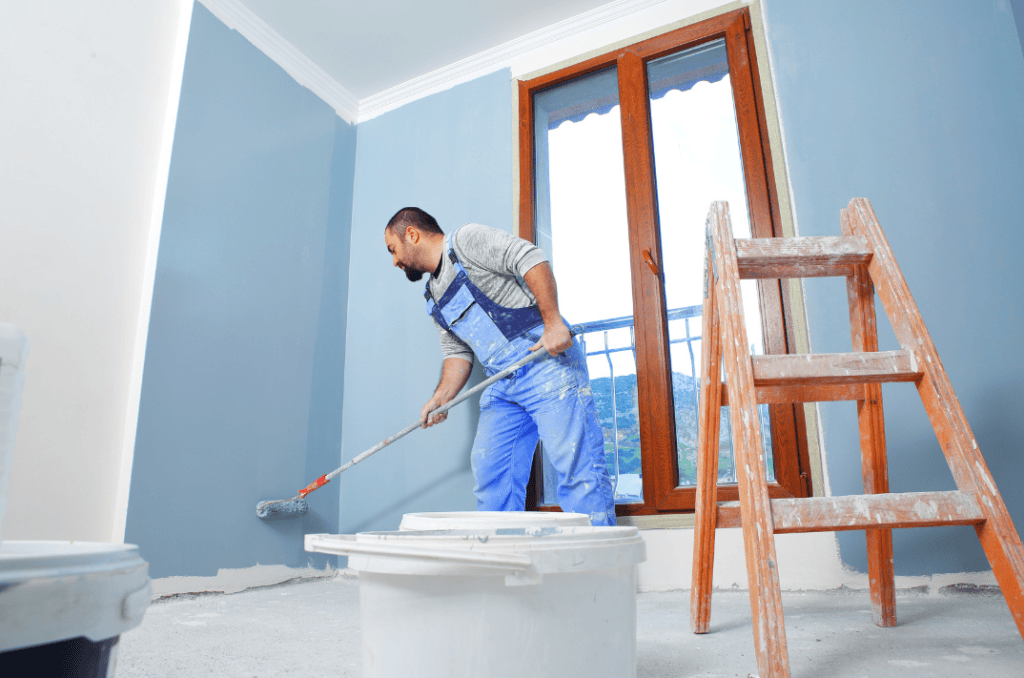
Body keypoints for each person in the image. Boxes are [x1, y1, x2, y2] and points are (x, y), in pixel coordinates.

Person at [384, 207, 617, 526]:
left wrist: (553, 323)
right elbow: (457, 352)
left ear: (411, 234)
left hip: (544, 364)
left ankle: (601, 570)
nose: (395, 261)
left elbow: (529, 256)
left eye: (392, 250)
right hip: (503, 383)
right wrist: (442, 397)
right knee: (491, 470)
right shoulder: (432, 296)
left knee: (578, 469)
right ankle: (507, 563)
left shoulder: (465, 241)